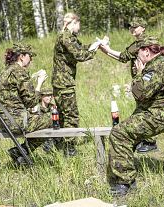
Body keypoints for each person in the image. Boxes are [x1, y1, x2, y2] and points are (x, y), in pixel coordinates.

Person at [107, 40, 164, 196]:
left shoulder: (157, 67)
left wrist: (138, 74)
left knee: (119, 133)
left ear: (146, 52)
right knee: (127, 128)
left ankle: (125, 182)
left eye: (137, 55)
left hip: (163, 114)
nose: (136, 60)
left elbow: (140, 93)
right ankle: (126, 169)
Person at [100, 17, 158, 153]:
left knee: (145, 109)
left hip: (145, 80)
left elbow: (123, 56)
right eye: (131, 26)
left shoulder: (141, 43)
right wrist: (107, 51)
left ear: (143, 28)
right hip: (143, 79)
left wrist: (107, 49)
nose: (132, 29)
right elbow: (124, 58)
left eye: (135, 27)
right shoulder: (140, 41)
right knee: (143, 108)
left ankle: (149, 141)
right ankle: (146, 140)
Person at [0, 43, 52, 166]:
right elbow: (31, 102)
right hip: (16, 122)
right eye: (29, 57)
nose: (31, 60)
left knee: (40, 117)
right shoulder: (19, 72)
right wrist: (39, 83)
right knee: (51, 119)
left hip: (5, 121)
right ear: (21, 56)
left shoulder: (5, 71)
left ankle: (20, 153)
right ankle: (22, 151)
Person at [51, 12, 97, 156]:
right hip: (64, 82)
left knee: (62, 115)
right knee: (71, 115)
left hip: (62, 81)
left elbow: (81, 48)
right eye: (79, 24)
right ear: (74, 23)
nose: (79, 27)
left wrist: (95, 45)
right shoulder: (65, 37)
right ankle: (69, 147)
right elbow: (80, 55)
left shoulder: (69, 37)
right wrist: (95, 49)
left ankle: (57, 143)